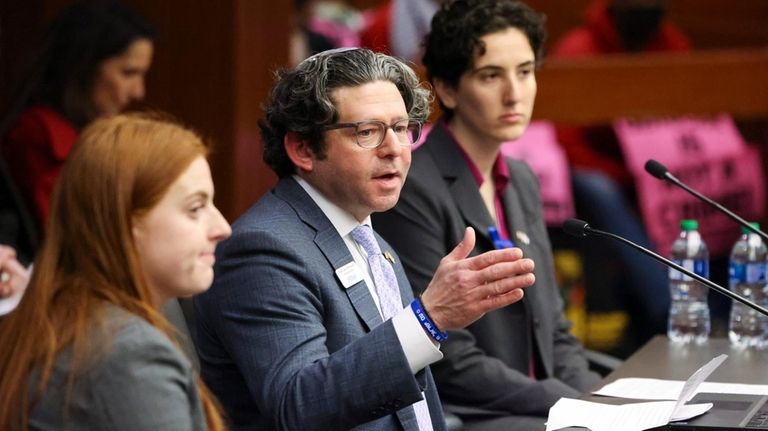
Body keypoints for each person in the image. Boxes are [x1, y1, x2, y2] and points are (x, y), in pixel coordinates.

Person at [193, 47, 536, 430]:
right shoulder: (263, 248)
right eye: (367, 132)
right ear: (303, 148)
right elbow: (299, 403)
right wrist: (429, 318)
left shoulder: (372, 240)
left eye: (402, 129)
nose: (395, 150)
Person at [371, 1, 601, 430]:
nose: (514, 92)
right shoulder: (413, 188)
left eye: (525, 71)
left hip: (549, 408)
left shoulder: (521, 178)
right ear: (447, 89)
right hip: (480, 415)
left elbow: (555, 327)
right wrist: (576, 405)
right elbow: (447, 357)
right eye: (491, 76)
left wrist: (597, 400)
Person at [0, 113, 231, 430]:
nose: (222, 228)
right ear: (125, 222)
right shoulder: (128, 356)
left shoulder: (67, 319)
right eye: (195, 208)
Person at [549, 0, 692, 344]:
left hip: (647, 166)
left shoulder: (669, 42)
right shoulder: (578, 50)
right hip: (593, 169)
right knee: (601, 189)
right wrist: (624, 172)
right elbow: (564, 140)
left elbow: (693, 115)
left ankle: (714, 303)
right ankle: (668, 306)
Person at [0, 0, 155, 232]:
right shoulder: (39, 133)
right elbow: (72, 237)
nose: (138, 92)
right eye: (128, 72)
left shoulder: (94, 136)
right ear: (84, 67)